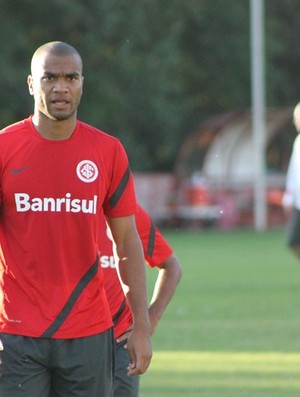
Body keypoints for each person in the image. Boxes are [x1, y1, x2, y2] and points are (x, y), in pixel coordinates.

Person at [0, 41, 152, 397]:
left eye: (71, 77)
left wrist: (141, 325)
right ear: (31, 84)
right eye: (49, 77)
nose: (60, 87)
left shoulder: (107, 150)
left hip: (89, 331)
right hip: (17, 332)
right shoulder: (4, 148)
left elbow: (128, 241)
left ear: (82, 83)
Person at [100, 204, 182, 397]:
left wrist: (149, 320)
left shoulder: (129, 214)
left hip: (120, 339)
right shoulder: (66, 211)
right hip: (72, 338)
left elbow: (171, 267)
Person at [283, 102, 300, 257]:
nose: (295, 121)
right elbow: (294, 172)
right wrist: (288, 198)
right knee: (292, 242)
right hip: (299, 203)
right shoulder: (298, 142)